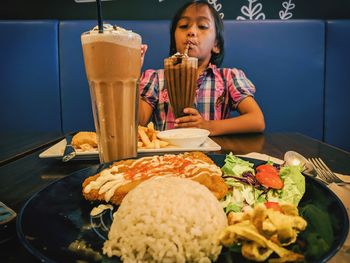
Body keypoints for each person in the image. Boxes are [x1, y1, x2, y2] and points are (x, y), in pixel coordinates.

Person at [138, 0, 265, 136]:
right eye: (184, 25)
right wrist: (132, 74)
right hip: (166, 156)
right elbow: (139, 121)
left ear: (216, 45)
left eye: (202, 26)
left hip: (212, 155)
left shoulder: (228, 77)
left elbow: (257, 120)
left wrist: (206, 126)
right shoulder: (155, 78)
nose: (191, 31)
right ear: (174, 40)